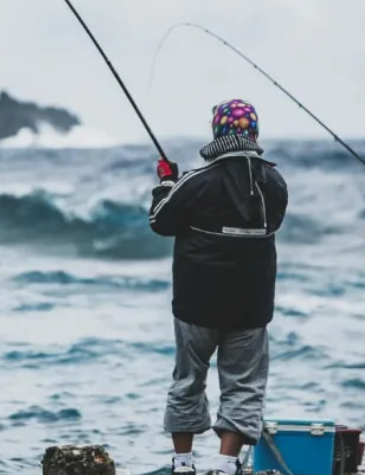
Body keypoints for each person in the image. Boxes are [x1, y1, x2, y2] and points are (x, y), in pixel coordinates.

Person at [149, 99, 289, 475]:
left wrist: (165, 184)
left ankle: (183, 464)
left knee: (188, 380)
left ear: (217, 132)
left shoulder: (198, 181)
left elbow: (160, 221)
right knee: (244, 385)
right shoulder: (275, 182)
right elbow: (273, 222)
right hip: (252, 307)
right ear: (254, 133)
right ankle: (227, 466)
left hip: (196, 304)